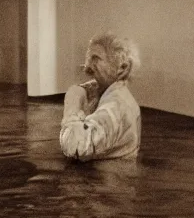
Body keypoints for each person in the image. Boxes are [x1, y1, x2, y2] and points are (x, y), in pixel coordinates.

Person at [59, 33, 141, 161]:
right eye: (89, 58)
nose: (87, 67)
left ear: (122, 68)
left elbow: (73, 147)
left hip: (106, 179)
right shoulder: (116, 96)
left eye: (95, 58)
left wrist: (73, 100)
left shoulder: (116, 106)